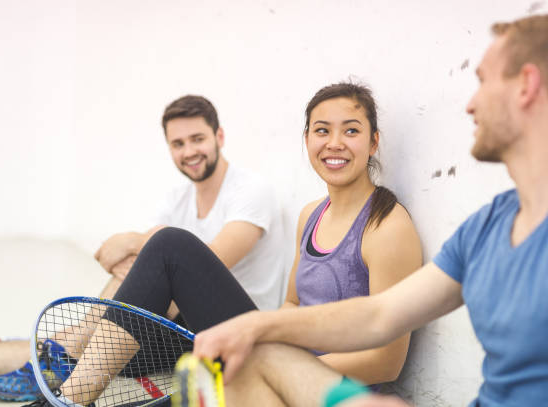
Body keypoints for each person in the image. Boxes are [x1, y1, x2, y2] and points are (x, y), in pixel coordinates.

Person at [190, 12, 548, 407]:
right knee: (253, 360)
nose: (469, 104)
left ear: (526, 86)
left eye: (482, 81)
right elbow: (380, 314)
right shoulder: (488, 224)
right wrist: (256, 327)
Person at [24, 82, 423, 407]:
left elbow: (386, 361)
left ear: (373, 142)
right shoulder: (312, 214)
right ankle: (68, 397)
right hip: (275, 362)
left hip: (324, 390)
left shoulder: (387, 226)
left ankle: (66, 399)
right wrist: (258, 347)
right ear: (307, 140)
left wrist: (282, 369)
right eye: (322, 130)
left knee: (170, 247)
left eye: (351, 130)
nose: (334, 142)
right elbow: (293, 307)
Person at [0, 95, 285, 401]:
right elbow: (124, 261)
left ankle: (63, 361)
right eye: (178, 143)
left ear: (219, 136)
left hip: (238, 330)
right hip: (185, 332)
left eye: (197, 139)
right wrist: (141, 253)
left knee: (165, 245)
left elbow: (199, 264)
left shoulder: (252, 191)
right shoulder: (178, 198)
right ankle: (56, 356)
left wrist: (134, 240)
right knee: (97, 342)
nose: (189, 151)